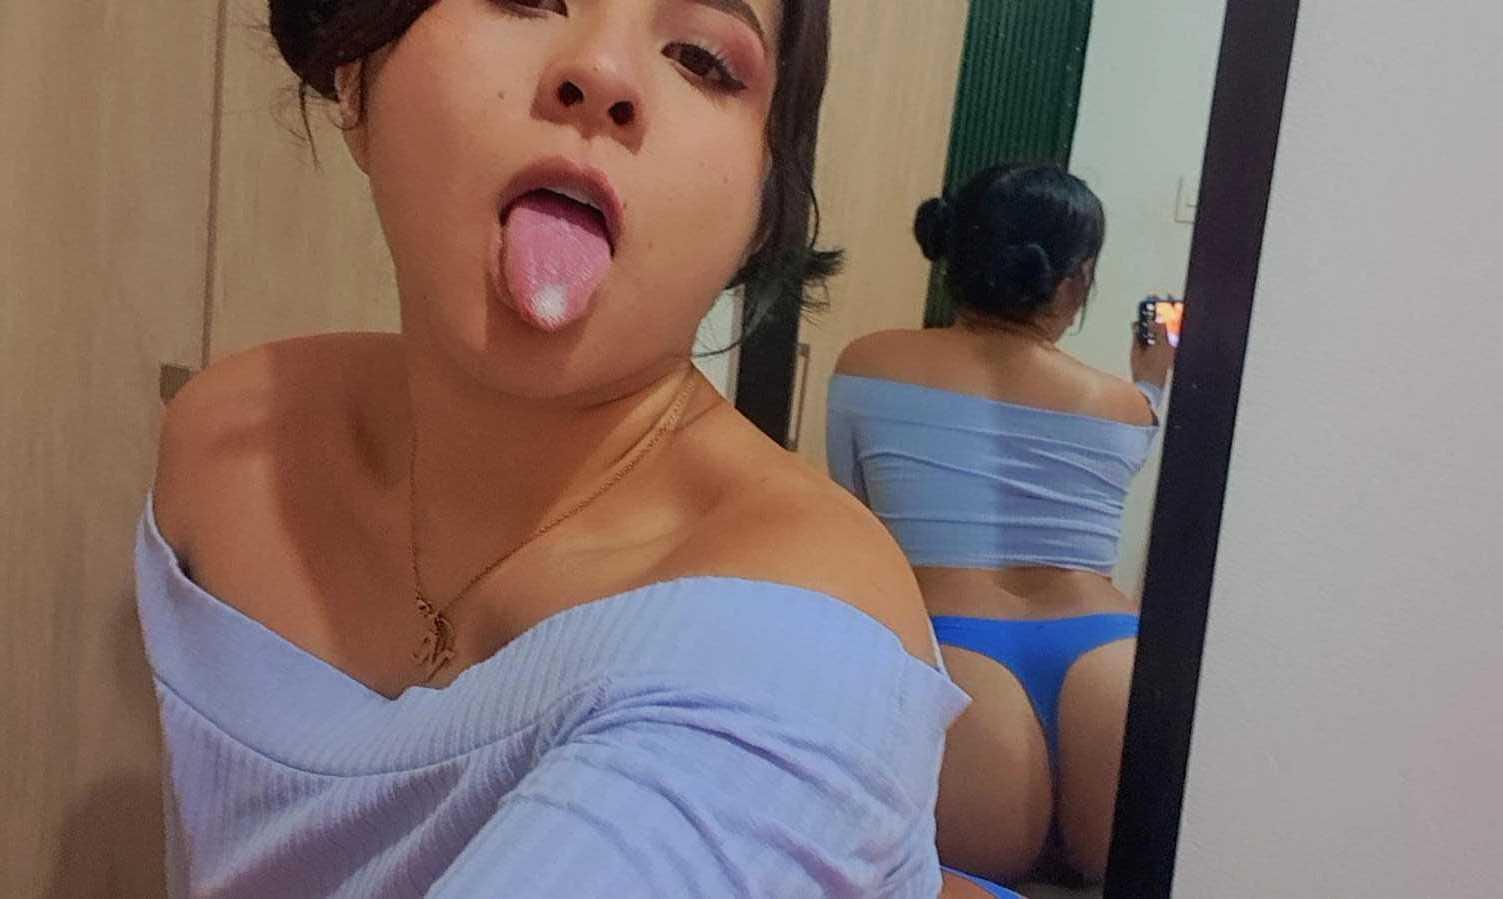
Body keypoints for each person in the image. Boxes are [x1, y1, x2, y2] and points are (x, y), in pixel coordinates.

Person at [138, 1, 973, 895]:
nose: (601, 75)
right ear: (354, 76)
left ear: (762, 211)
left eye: (700, 58)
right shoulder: (237, 441)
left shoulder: (794, 647)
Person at [827, 162, 1176, 886]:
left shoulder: (870, 363)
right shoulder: (1125, 406)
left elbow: (854, 521)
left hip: (950, 661)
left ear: (952, 251)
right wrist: (1153, 375)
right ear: (1076, 282)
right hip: (1112, 661)